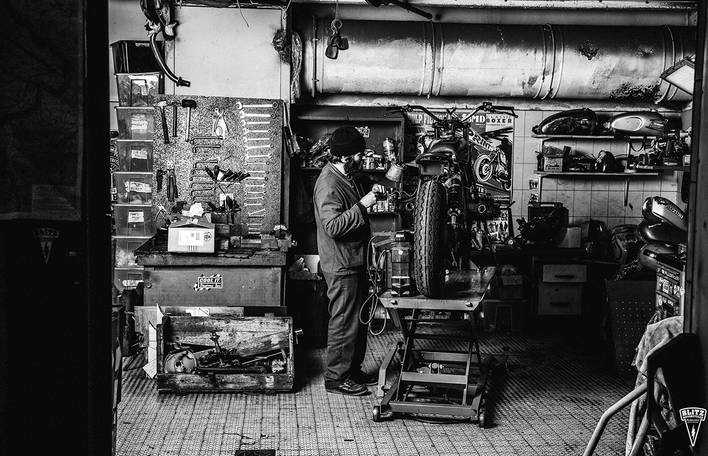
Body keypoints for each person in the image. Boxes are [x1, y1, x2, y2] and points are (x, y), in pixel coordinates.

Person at [313, 126, 385, 396]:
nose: (361, 158)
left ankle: (351, 370)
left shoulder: (347, 176)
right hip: (341, 265)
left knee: (358, 320)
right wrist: (363, 206)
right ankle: (336, 377)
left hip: (355, 261)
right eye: (358, 154)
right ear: (345, 157)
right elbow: (333, 226)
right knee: (344, 321)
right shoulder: (329, 184)